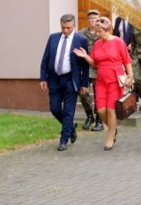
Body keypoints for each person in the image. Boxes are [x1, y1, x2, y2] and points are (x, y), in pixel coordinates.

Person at [73, 16, 134, 151]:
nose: (97, 34)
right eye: (96, 31)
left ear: (108, 30)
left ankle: (110, 136)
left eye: (100, 31)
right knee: (101, 110)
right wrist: (85, 56)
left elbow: (127, 60)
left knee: (111, 109)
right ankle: (113, 129)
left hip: (114, 79)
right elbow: (95, 63)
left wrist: (130, 76)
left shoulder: (118, 42)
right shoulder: (97, 44)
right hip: (101, 80)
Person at [39, 14, 90, 152]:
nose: (65, 30)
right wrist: (43, 78)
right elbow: (45, 59)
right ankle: (71, 126)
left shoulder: (81, 40)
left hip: (71, 79)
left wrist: (84, 84)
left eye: (68, 28)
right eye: (63, 28)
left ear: (74, 26)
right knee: (54, 108)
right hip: (54, 78)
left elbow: (85, 65)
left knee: (69, 111)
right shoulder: (53, 38)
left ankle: (64, 139)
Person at [78, 9, 105, 132]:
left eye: (95, 18)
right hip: (85, 67)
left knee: (98, 94)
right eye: (90, 18)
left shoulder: (102, 33)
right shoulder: (81, 33)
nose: (93, 21)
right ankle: (89, 115)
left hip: (98, 67)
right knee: (83, 92)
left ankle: (99, 119)